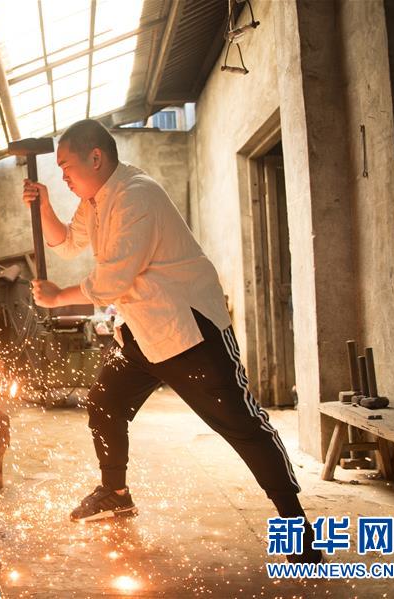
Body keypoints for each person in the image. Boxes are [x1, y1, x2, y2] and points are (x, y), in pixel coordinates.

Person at [23, 118, 321, 563]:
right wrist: (44, 204)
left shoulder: (136, 196)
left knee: (243, 426)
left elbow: (112, 279)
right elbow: (66, 243)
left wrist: (58, 296)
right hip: (141, 331)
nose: (62, 175)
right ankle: (115, 493)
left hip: (189, 332)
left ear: (96, 158)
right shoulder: (96, 200)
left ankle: (298, 528)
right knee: (104, 401)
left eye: (66, 166)